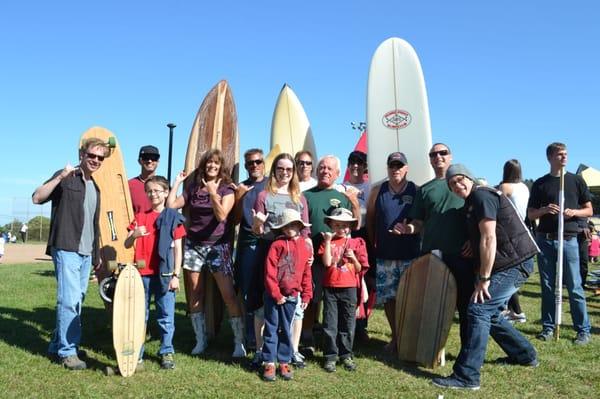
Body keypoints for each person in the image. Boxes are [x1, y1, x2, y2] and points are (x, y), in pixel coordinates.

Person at [432, 164, 539, 391]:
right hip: (511, 261)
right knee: (489, 314)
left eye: (460, 179)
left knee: (478, 309)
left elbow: (489, 238)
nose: (457, 185)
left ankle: (467, 376)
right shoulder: (473, 202)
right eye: (452, 183)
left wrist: (484, 278)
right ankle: (525, 354)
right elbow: (485, 231)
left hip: (513, 263)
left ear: (470, 178)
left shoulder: (482, 195)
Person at [32, 137, 109, 370]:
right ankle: (68, 351)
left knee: (76, 299)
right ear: (82, 155)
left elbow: (93, 226)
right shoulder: (66, 178)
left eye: (100, 157)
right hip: (66, 247)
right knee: (70, 300)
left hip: (86, 253)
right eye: (91, 155)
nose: (95, 160)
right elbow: (37, 197)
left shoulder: (95, 187)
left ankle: (57, 344)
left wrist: (96, 256)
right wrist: (59, 177)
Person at [166, 149, 246, 358]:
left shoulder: (227, 189)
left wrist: (212, 192)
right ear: (204, 165)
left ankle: (239, 342)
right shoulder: (193, 188)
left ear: (221, 167)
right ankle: (200, 339)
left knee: (228, 294)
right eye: (209, 163)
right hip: (194, 245)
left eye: (216, 163)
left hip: (218, 246)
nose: (212, 166)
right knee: (195, 293)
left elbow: (221, 217)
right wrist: (176, 182)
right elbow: (171, 206)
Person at [395, 143, 473, 346]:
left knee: (465, 306)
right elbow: (419, 222)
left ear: (450, 156)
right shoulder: (426, 190)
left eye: (443, 153)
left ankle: (467, 351)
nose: (438, 156)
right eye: (433, 154)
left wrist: (474, 241)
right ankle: (431, 347)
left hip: (463, 255)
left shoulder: (466, 184)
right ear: (429, 159)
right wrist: (409, 229)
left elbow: (480, 217)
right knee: (433, 304)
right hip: (434, 255)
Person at [527, 142, 592, 344]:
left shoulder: (576, 181)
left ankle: (582, 330)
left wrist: (574, 212)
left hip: (569, 240)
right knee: (547, 286)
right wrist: (545, 210)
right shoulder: (540, 184)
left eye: (565, 154)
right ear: (550, 158)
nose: (564, 157)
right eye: (559, 155)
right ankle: (547, 327)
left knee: (575, 286)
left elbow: (588, 210)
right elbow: (530, 214)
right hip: (545, 240)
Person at [251, 152, 310, 369]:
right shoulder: (264, 196)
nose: (284, 173)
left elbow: (305, 232)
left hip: (294, 256)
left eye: (289, 169)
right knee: (263, 303)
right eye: (280, 168)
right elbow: (258, 231)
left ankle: (291, 351)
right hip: (269, 252)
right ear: (274, 171)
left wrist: (307, 254)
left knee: (293, 305)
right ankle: (260, 351)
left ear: (293, 172)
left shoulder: (299, 198)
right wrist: (258, 223)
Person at [124, 175, 185, 370]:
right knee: (139, 316)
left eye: (157, 190)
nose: (153, 194)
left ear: (166, 193)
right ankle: (137, 353)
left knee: (166, 315)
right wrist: (134, 234)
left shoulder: (172, 217)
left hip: (165, 274)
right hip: (141, 274)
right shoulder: (140, 217)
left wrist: (176, 275)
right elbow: (126, 243)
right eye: (149, 191)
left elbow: (178, 249)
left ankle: (166, 351)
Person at [302, 155, 361, 355]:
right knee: (312, 299)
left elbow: (356, 224)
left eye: (330, 169)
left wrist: (353, 202)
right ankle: (307, 337)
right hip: (313, 258)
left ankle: (336, 343)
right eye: (322, 167)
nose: (325, 171)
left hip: (337, 262)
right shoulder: (306, 195)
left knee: (334, 304)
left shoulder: (342, 197)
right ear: (316, 171)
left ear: (337, 174)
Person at [366, 152, 420, 351]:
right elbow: (370, 220)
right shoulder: (377, 191)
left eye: (400, 165)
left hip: (411, 255)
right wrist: (375, 244)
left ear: (406, 168)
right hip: (385, 255)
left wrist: (410, 228)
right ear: (387, 168)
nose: (396, 169)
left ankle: (409, 338)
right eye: (392, 166)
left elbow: (422, 221)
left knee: (410, 299)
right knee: (389, 298)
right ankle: (396, 338)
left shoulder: (416, 190)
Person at [262, 209, 313, 382]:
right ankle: (269, 361)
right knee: (271, 328)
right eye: (287, 225)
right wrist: (276, 294)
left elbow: (306, 272)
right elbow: (269, 272)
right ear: (282, 228)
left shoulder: (305, 247)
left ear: (300, 226)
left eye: (294, 224)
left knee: (286, 329)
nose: (291, 228)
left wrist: (306, 294)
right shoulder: (277, 245)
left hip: (292, 296)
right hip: (274, 295)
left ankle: (284, 360)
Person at [319, 207, 368, 372]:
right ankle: (330, 356)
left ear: (351, 226)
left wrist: (353, 257)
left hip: (349, 288)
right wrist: (326, 242)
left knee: (347, 323)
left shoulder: (357, 243)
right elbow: (326, 263)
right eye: (338, 225)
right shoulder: (328, 242)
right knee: (330, 323)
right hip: (330, 287)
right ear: (331, 225)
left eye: (345, 225)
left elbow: (360, 267)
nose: (342, 229)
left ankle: (346, 354)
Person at [231, 149, 267, 349]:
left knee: (266, 289)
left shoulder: (272, 184)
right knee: (247, 290)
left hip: (268, 241)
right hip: (247, 242)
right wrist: (238, 197)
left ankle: (267, 335)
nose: (254, 165)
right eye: (250, 163)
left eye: (258, 161)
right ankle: (250, 336)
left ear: (263, 163)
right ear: (246, 166)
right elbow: (235, 220)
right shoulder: (242, 187)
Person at [342, 150, 375, 343]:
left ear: (365, 166)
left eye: (360, 162)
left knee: (365, 282)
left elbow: (373, 215)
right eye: (352, 162)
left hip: (364, 235)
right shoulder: (341, 186)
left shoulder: (370, 187)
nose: (355, 165)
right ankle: (343, 324)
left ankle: (362, 325)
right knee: (345, 279)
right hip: (346, 235)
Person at [498, 159, 530, 323]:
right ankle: (512, 310)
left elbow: (496, 204)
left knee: (503, 272)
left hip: (507, 231)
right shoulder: (524, 187)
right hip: (521, 229)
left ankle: (513, 310)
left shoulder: (505, 187)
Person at [129, 145, 161, 214]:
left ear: (158, 161)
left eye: (154, 158)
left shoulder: (164, 185)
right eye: (146, 157)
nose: (150, 161)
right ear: (139, 161)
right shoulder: (128, 185)